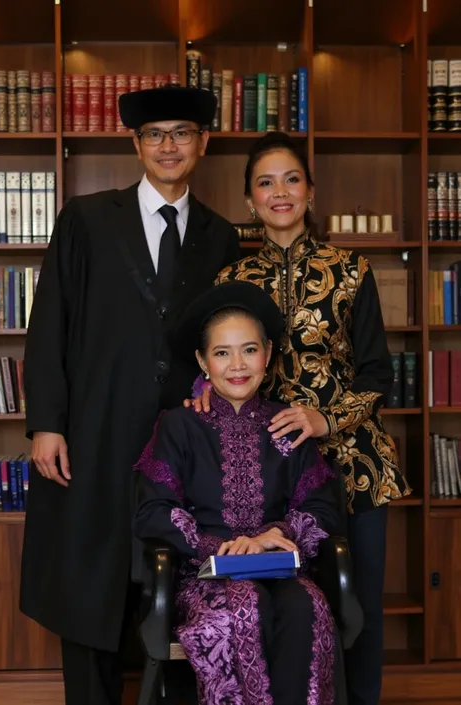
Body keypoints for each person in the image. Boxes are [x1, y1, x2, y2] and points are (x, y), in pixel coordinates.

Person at [19, 85, 241, 705]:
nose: (169, 146)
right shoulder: (87, 219)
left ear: (204, 142)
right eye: (155, 134)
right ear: (135, 143)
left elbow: (223, 340)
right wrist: (47, 423)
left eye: (182, 133)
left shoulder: (221, 237)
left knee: (171, 587)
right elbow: (49, 326)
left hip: (181, 443)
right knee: (89, 584)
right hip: (92, 433)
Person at [190, 132, 412, 705]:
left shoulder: (351, 270)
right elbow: (217, 360)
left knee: (356, 604)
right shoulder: (232, 281)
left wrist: (324, 419)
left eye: (291, 179)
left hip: (355, 468)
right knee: (291, 604)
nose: (279, 192)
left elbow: (376, 376)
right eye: (265, 182)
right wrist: (200, 393)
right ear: (249, 200)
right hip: (273, 476)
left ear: (310, 192)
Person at [134, 280, 342, 705]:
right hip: (203, 573)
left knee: (309, 608)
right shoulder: (180, 426)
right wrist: (223, 547)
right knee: (240, 612)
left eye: (249, 349)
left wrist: (273, 536)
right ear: (202, 362)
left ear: (267, 354)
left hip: (282, 567)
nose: (237, 365)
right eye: (222, 353)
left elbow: (321, 506)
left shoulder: (287, 423)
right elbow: (154, 509)